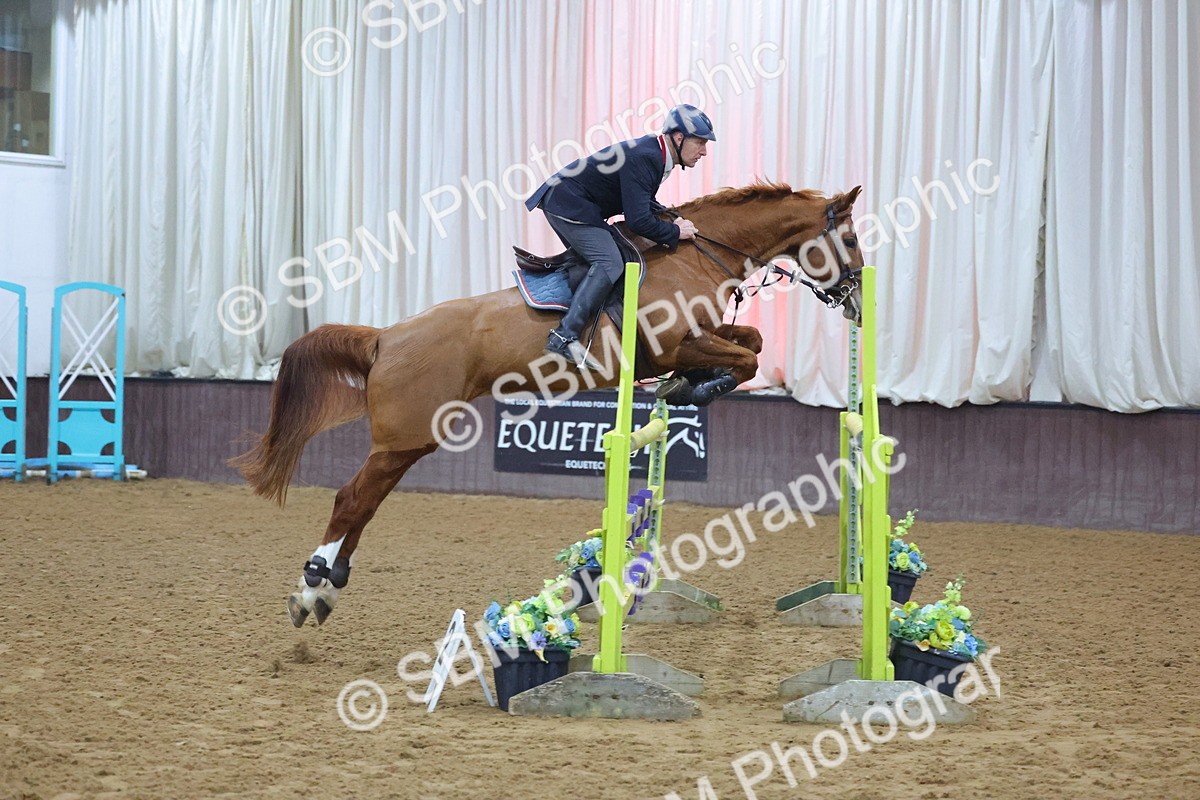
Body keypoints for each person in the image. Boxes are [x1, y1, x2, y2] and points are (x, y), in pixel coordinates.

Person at [525, 104, 715, 370]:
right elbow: (638, 221)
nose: (704, 151)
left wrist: (672, 218)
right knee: (610, 262)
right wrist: (675, 231)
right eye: (700, 143)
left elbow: (643, 203)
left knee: (612, 259)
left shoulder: (657, 154)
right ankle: (563, 336)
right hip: (568, 204)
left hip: (574, 202)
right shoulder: (647, 157)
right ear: (679, 137)